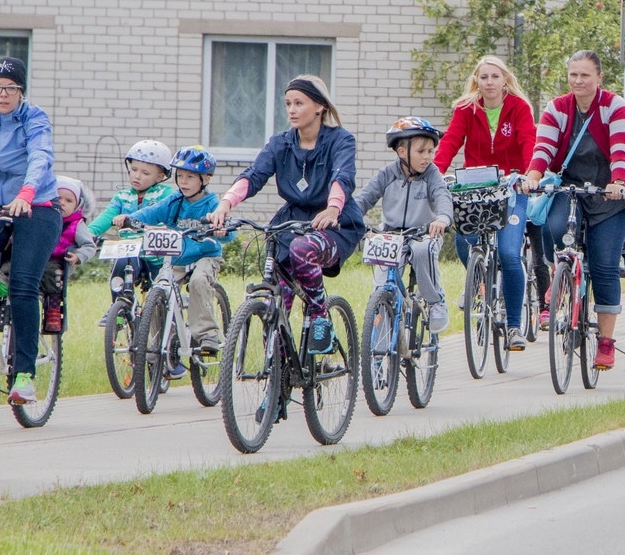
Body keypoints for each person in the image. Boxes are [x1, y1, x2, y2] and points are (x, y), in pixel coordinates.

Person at [208, 75, 366, 354]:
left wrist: (332, 207)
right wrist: (225, 204)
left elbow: (343, 176)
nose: (291, 110)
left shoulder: (341, 140)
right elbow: (254, 175)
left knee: (302, 249)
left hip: (335, 224)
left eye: (299, 103)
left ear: (319, 107)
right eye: (288, 104)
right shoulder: (280, 142)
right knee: (275, 303)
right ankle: (278, 379)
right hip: (291, 222)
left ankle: (320, 316)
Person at [520, 50, 625, 371]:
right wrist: (533, 176)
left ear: (599, 78)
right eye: (573, 74)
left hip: (609, 195)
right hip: (570, 189)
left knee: (604, 267)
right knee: (554, 228)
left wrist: (618, 180)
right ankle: (563, 274)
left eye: (585, 75)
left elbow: (620, 149)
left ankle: (607, 344)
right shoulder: (557, 108)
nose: (578, 81)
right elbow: (543, 147)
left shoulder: (615, 106)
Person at [0, 56, 62, 408]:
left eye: (11, 89)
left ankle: (24, 375)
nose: (3, 94)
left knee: (23, 283)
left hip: (36, 205)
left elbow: (41, 156)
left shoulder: (33, 118)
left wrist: (27, 192)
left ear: (21, 92)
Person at [434, 56, 536, 348]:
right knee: (467, 244)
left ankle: (515, 326)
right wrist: (435, 174)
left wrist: (530, 175)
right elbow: (451, 142)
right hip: (474, 188)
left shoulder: (519, 108)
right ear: (476, 81)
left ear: (505, 80)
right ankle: (480, 287)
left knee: (509, 253)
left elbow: (529, 141)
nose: (489, 82)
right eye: (484, 77)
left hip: (512, 187)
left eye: (495, 77)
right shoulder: (466, 109)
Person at [124, 146, 231, 355]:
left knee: (199, 281)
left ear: (205, 180)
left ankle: (207, 333)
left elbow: (227, 230)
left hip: (205, 255)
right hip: (179, 257)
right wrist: (131, 219)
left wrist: (221, 231)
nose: (183, 182)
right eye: (180, 176)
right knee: (160, 288)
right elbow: (153, 212)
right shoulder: (174, 200)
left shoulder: (212, 203)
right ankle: (159, 338)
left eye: (190, 177)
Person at [359, 117, 454, 334]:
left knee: (422, 251)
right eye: (422, 151)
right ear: (402, 152)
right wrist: (352, 221)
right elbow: (363, 200)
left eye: (431, 151)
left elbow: (443, 197)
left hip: (424, 234)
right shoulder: (387, 174)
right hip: (391, 235)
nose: (428, 157)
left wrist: (442, 219)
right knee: (382, 286)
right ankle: (380, 332)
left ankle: (435, 301)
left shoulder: (432, 175)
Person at [90, 139, 177, 306]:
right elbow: (107, 216)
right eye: (134, 170)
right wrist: (88, 234)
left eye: (145, 173)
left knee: (160, 295)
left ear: (160, 176)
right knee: (120, 266)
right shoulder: (122, 197)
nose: (137, 176)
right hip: (131, 250)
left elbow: (170, 217)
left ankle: (164, 321)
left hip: (156, 252)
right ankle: (120, 305)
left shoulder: (166, 194)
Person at [39, 176, 97, 333]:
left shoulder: (77, 225)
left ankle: (53, 310)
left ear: (78, 205)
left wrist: (78, 256)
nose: (62, 203)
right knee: (8, 268)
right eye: (58, 198)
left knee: (52, 274)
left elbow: (89, 246)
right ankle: (4, 305)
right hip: (37, 258)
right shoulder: (42, 219)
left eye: (69, 200)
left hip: (58, 262)